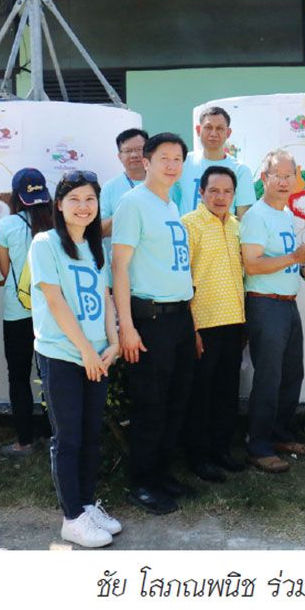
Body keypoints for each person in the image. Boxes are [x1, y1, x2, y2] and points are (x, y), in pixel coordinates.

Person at [30, 170, 121, 548]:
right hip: (63, 355)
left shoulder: (97, 247)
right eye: (75, 199)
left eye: (90, 199)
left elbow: (105, 299)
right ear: (59, 204)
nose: (83, 207)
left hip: (98, 356)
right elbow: (55, 301)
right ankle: (71, 518)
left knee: (91, 434)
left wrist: (114, 343)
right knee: (67, 437)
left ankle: (86, 504)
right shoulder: (45, 243)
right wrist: (85, 350)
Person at [112, 132, 197, 514]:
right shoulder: (134, 203)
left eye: (178, 159)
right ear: (146, 161)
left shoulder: (171, 204)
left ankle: (162, 473)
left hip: (179, 318)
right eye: (164, 158)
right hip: (150, 320)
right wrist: (127, 326)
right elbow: (120, 266)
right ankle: (142, 482)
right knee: (150, 404)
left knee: (176, 402)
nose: (172, 165)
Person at [240, 149, 305, 473]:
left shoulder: (285, 214)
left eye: (290, 176)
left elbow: (283, 260)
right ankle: (258, 446)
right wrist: (294, 258)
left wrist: (304, 270)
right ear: (265, 178)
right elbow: (252, 265)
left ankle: (279, 435)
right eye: (278, 176)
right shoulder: (256, 216)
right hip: (265, 304)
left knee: (291, 374)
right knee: (269, 378)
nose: (285, 181)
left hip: (287, 303)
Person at [182, 166, 247, 482]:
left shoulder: (236, 226)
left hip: (234, 322)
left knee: (227, 391)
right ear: (201, 192)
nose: (221, 197)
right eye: (214, 191)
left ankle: (222, 450)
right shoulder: (188, 225)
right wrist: (192, 329)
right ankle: (198, 457)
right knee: (201, 395)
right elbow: (182, 279)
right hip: (203, 324)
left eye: (227, 192)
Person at [0, 168, 54, 457]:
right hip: (52, 311)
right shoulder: (56, 222)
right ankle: (54, 434)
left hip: (16, 311)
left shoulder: (6, 225)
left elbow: (5, 271)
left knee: (18, 376)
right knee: (51, 374)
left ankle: (24, 441)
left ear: (15, 196)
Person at [176, 106, 257, 219]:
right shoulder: (183, 162)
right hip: (187, 230)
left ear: (228, 133)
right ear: (198, 130)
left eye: (219, 128)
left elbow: (244, 217)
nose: (213, 133)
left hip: (223, 230)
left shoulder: (240, 170)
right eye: (208, 127)